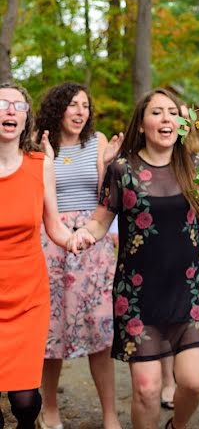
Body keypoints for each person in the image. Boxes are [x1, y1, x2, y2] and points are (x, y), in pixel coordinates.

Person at [69, 88, 199, 429]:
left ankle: (176, 425)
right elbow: (100, 220)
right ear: (142, 122)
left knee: (193, 382)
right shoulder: (122, 170)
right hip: (138, 296)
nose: (166, 118)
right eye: (157, 112)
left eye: (172, 112)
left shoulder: (194, 168)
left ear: (181, 123)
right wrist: (83, 234)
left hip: (190, 293)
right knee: (147, 390)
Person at [34, 83, 123, 429]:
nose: (80, 112)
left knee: (100, 330)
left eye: (85, 106)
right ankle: (50, 408)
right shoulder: (39, 145)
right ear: (58, 108)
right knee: (51, 330)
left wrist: (107, 164)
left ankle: (111, 415)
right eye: (73, 105)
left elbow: (106, 198)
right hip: (50, 242)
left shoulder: (97, 141)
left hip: (92, 240)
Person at [0, 82, 85, 429]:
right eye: (2, 104)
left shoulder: (40, 163)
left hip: (27, 296)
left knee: (24, 400)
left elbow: (54, 225)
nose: (9, 111)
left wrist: (73, 239)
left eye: (17, 106)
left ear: (26, 119)